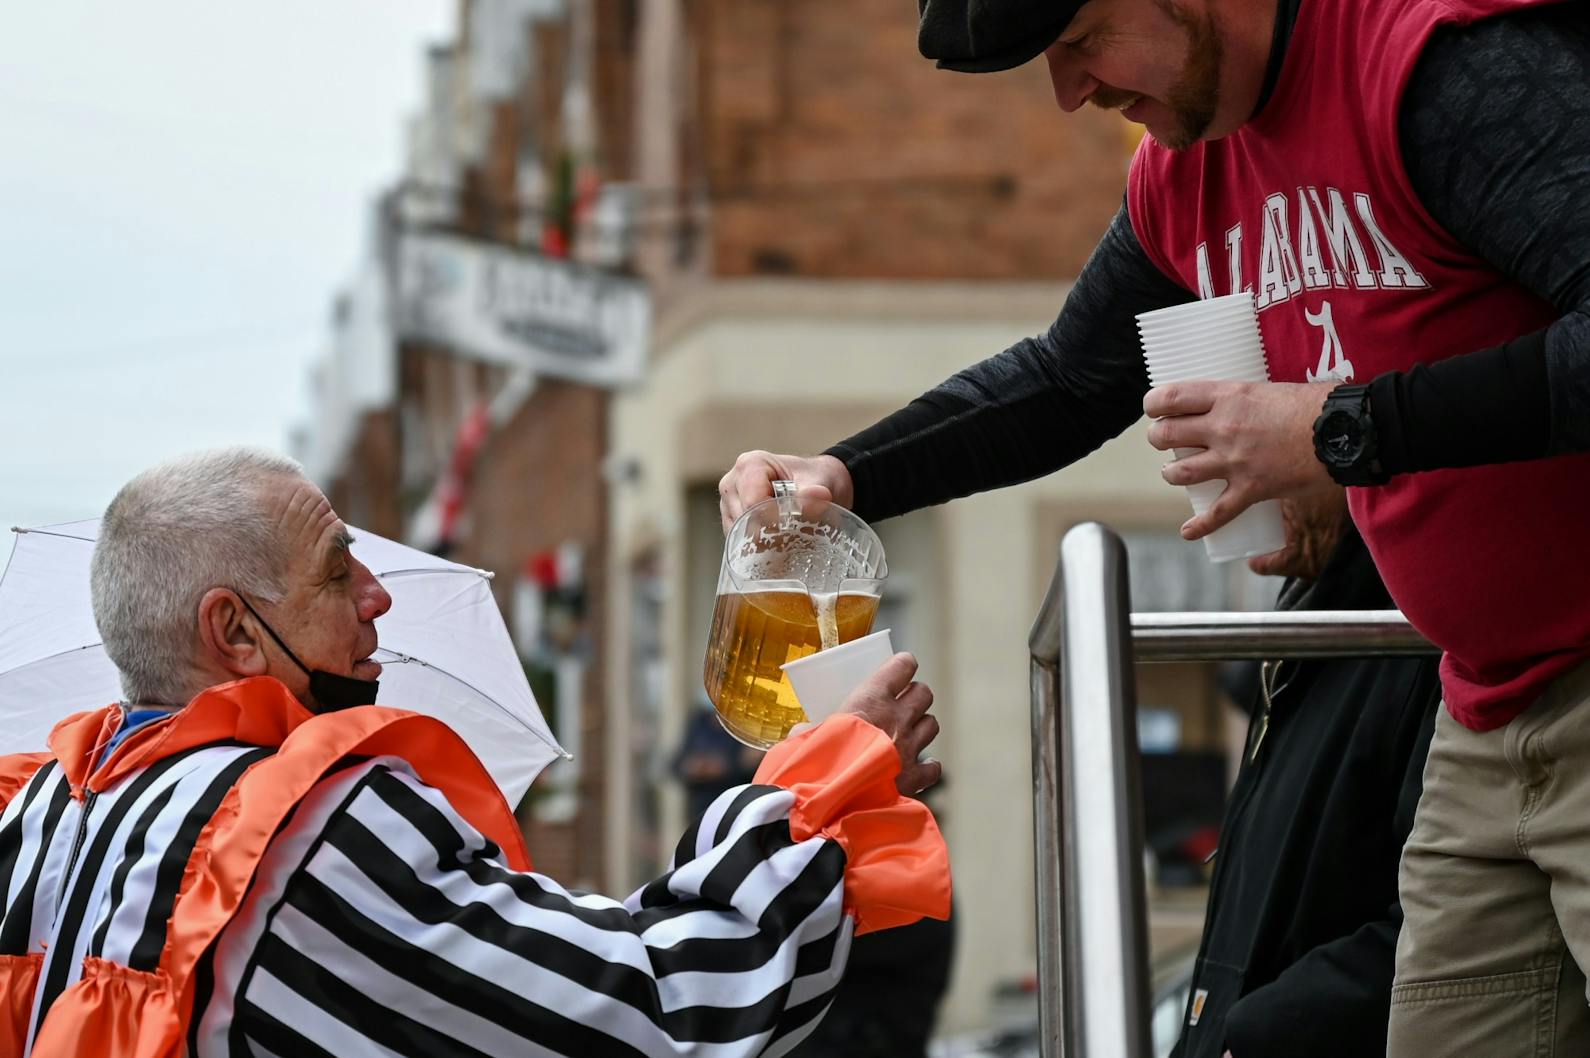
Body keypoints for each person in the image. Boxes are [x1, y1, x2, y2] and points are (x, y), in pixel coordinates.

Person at [716, 0, 1590, 1052]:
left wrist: (1340, 426)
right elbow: (1064, 379)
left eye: (1080, 43)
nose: (1071, 91)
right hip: (1489, 706)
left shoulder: (1435, 65)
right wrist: (845, 473)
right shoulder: (1190, 170)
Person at [0, 447, 949, 1057]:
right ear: (235, 633)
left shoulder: (37, 818)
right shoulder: (297, 835)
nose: (377, 597)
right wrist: (835, 781)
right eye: (338, 570)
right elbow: (669, 1016)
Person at [1172, 492, 1441, 1058]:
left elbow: (1448, 915)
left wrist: (1255, 1035)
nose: (1226, 493)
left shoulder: (1415, 630)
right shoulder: (1303, 628)